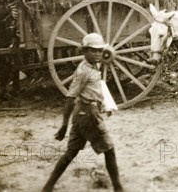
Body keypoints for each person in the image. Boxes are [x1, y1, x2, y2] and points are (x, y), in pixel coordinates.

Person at [42, 33, 124, 192]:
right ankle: (118, 188)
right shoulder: (83, 71)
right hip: (88, 116)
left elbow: (96, 88)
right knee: (109, 150)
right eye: (93, 51)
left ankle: (48, 186)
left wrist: (105, 104)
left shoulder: (93, 65)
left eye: (100, 50)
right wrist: (64, 125)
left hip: (82, 115)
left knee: (71, 153)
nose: (98, 54)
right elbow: (70, 98)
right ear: (84, 51)